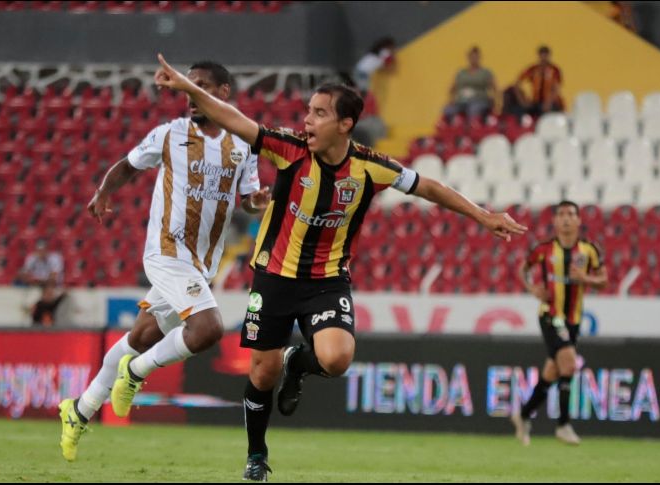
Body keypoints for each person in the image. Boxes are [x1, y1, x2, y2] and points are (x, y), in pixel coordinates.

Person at [152, 53, 528, 481]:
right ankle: (257, 454)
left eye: (318, 113)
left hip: (326, 282)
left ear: (345, 124)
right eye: (308, 111)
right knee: (262, 372)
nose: (307, 121)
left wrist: (484, 216)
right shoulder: (289, 150)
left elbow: (429, 187)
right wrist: (188, 87)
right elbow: (234, 118)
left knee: (336, 358)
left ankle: (300, 364)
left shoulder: (370, 167)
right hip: (273, 276)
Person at [57, 61, 271, 462]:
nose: (192, 95)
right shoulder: (170, 134)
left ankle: (79, 410)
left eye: (202, 86)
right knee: (207, 329)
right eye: (189, 87)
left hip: (201, 264)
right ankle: (136, 374)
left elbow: (248, 198)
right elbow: (127, 165)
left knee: (140, 338)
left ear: (223, 92)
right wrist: (104, 193)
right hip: (166, 252)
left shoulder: (243, 144)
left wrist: (256, 203)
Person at [511, 200, 608, 446]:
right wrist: (533, 288)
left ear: (578, 220)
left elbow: (604, 279)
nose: (566, 218)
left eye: (571, 214)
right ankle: (563, 424)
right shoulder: (543, 250)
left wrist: (585, 278)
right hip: (550, 314)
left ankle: (522, 415)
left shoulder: (589, 250)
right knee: (569, 364)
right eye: (561, 214)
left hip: (574, 318)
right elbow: (523, 268)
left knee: (552, 373)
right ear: (554, 221)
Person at [443, 46, 497, 120]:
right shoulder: (461, 73)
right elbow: (452, 88)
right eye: (472, 57)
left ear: (479, 58)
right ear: (468, 57)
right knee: (448, 110)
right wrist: (450, 99)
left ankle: (474, 127)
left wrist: (495, 101)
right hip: (461, 100)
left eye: (476, 57)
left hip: (479, 100)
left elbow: (495, 88)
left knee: (473, 109)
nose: (474, 59)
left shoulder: (485, 72)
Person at [510, 46, 564, 118]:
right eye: (542, 55)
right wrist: (522, 100)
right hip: (536, 102)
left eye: (546, 55)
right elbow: (517, 83)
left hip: (551, 103)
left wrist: (549, 102)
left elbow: (556, 88)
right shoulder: (533, 69)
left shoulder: (554, 70)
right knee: (519, 111)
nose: (543, 58)